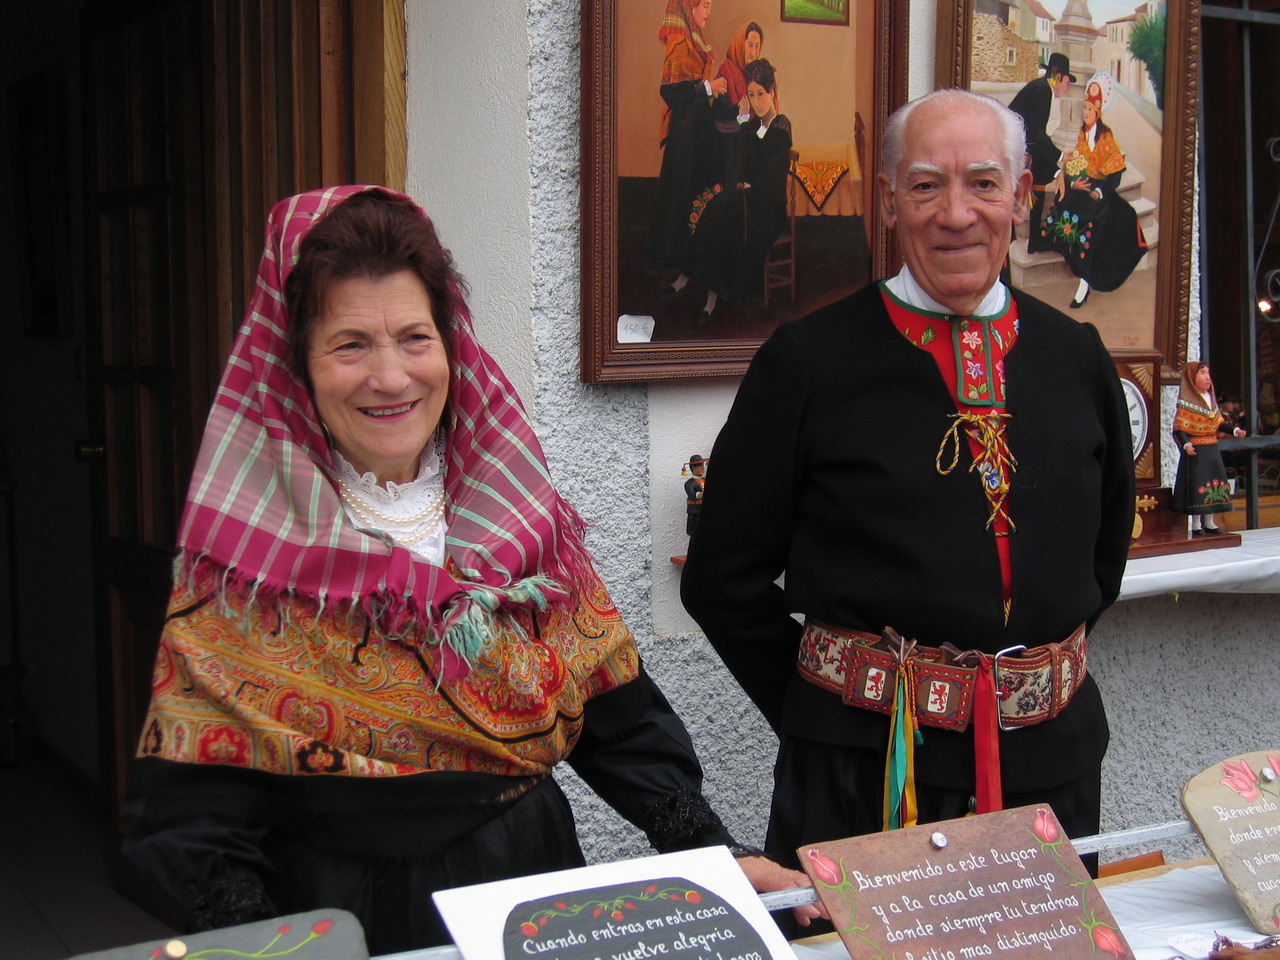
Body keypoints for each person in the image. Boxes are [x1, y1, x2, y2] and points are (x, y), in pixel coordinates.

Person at [122, 186, 817, 953]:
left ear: (450, 345)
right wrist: (272, 946)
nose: (392, 377)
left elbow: (618, 718)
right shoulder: (246, 564)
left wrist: (716, 858)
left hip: (527, 895)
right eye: (350, 345)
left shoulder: (518, 523)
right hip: (344, 915)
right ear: (296, 365)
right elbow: (193, 819)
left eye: (414, 338)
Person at [681, 90, 1134, 914]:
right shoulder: (806, 364)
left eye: (983, 184)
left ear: (1021, 197)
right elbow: (721, 581)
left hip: (1051, 773)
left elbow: (1101, 559)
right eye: (926, 186)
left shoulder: (1078, 357)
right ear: (890, 202)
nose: (955, 214)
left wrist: (1014, 685)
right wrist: (835, 708)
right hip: (861, 778)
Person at [683, 58, 792, 319]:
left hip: (771, 208)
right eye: (751, 95)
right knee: (718, 209)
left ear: (772, 93)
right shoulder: (753, 126)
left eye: (761, 94)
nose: (756, 102)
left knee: (722, 209)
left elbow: (765, 166)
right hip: (752, 200)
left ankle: (707, 288)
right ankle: (708, 292)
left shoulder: (781, 125)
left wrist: (743, 125)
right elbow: (746, 167)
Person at [1042, 79, 1148, 308]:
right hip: (1082, 187)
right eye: (1084, 108)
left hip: (1100, 190)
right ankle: (1077, 267)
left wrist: (1099, 191)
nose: (1086, 112)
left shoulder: (1106, 137)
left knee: (1100, 221)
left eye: (1090, 109)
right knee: (1065, 209)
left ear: (1098, 112)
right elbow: (1076, 165)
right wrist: (1073, 182)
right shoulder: (1082, 134)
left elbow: (1115, 175)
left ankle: (1085, 282)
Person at [648, 0, 727, 275]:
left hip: (697, 130)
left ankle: (691, 261)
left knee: (696, 190)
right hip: (684, 134)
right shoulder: (680, 42)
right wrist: (708, 87)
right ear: (689, 7)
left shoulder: (695, 40)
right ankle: (672, 260)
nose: (708, 12)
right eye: (705, 5)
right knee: (681, 192)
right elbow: (671, 92)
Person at [1007, 52, 1074, 253]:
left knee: (1043, 172)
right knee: (1043, 172)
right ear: (1057, 76)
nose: (1066, 88)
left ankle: (1035, 240)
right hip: (1011, 147)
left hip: (1021, 144)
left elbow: (1035, 134)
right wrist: (1060, 157)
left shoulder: (1042, 88)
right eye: (1066, 82)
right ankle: (1034, 239)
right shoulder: (1043, 90)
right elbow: (1037, 134)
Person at [1173, 361, 1244, 534]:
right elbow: (1180, 429)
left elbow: (1219, 423)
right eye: (1202, 373)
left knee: (1213, 483)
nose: (1207, 377)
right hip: (1197, 452)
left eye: (1208, 373)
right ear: (1191, 378)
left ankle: (1209, 521)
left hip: (1211, 450)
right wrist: (1186, 444)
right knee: (1197, 485)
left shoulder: (1210, 401)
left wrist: (1234, 430)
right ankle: (1196, 523)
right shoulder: (1187, 404)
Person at [684, 454, 707, 535]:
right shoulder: (689, 483)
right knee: (694, 530)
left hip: (704, 510)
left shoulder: (705, 480)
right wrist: (699, 495)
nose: (702, 468)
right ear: (693, 468)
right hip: (694, 511)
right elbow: (691, 494)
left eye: (702, 465)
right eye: (699, 466)